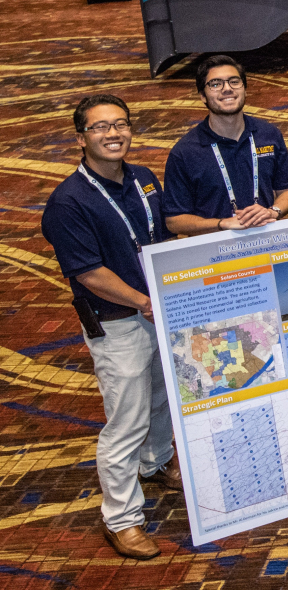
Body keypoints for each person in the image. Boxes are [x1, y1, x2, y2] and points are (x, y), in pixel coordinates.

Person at [41, 95, 178, 560]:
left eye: (120, 124)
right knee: (126, 419)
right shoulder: (68, 202)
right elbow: (88, 272)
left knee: (162, 396)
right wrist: (144, 301)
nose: (113, 134)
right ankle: (121, 519)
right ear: (80, 138)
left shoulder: (143, 179)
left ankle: (156, 462)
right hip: (118, 322)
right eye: (100, 128)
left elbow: (161, 238)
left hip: (156, 310)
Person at [163, 55, 288, 236]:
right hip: (215, 254)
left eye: (234, 82)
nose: (227, 89)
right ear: (203, 96)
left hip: (265, 240)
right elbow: (174, 220)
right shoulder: (184, 153)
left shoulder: (268, 134)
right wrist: (222, 224)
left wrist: (272, 211)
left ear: (245, 89)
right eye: (215, 84)